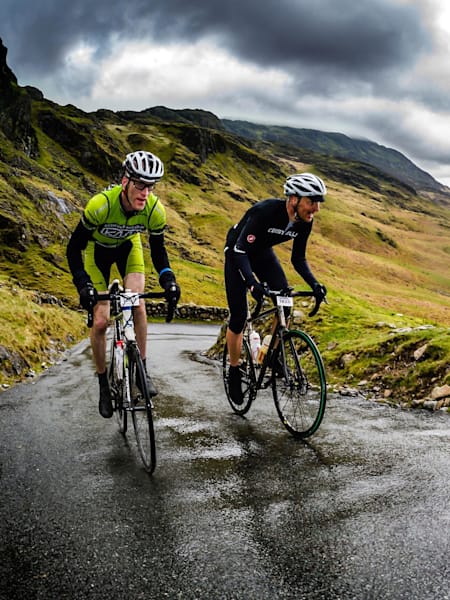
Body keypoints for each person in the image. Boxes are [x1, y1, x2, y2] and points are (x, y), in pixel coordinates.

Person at [66, 150, 180, 418]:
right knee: (102, 321)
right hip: (98, 253)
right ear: (125, 181)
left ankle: (141, 370)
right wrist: (83, 284)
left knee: (138, 305)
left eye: (150, 186)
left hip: (129, 250)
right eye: (140, 184)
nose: (145, 192)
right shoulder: (100, 205)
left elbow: (158, 251)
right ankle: (103, 384)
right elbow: (74, 249)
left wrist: (168, 279)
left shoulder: (154, 210)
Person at [224, 172, 327, 405]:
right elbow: (241, 251)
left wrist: (314, 285)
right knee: (239, 316)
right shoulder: (266, 211)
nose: (316, 209)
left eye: (318, 202)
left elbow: (298, 259)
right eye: (312, 201)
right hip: (237, 253)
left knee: (285, 302)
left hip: (262, 254)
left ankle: (271, 354)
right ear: (294, 199)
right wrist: (252, 283)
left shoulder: (305, 223)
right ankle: (233, 370)